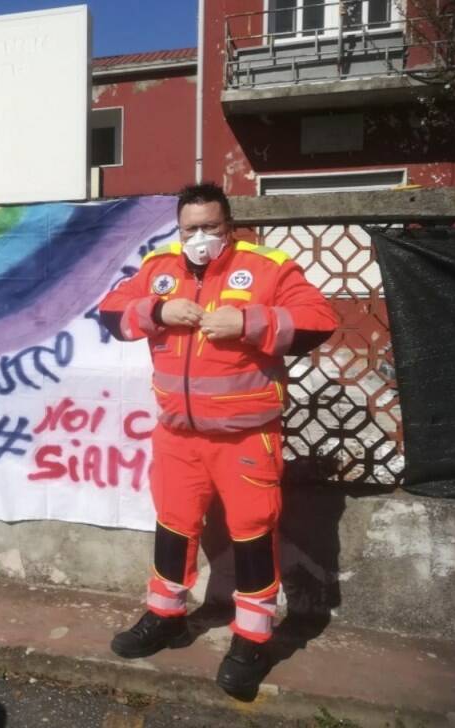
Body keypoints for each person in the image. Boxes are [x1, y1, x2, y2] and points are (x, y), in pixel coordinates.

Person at [98, 182, 338, 698]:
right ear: (177, 229)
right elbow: (110, 315)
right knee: (173, 527)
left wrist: (252, 321)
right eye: (190, 228)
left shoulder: (270, 266)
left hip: (246, 437)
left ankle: (252, 638)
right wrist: (156, 312)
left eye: (211, 227)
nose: (200, 237)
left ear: (229, 227)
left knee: (253, 533)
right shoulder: (159, 267)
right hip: (178, 435)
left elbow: (321, 322)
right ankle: (165, 615)